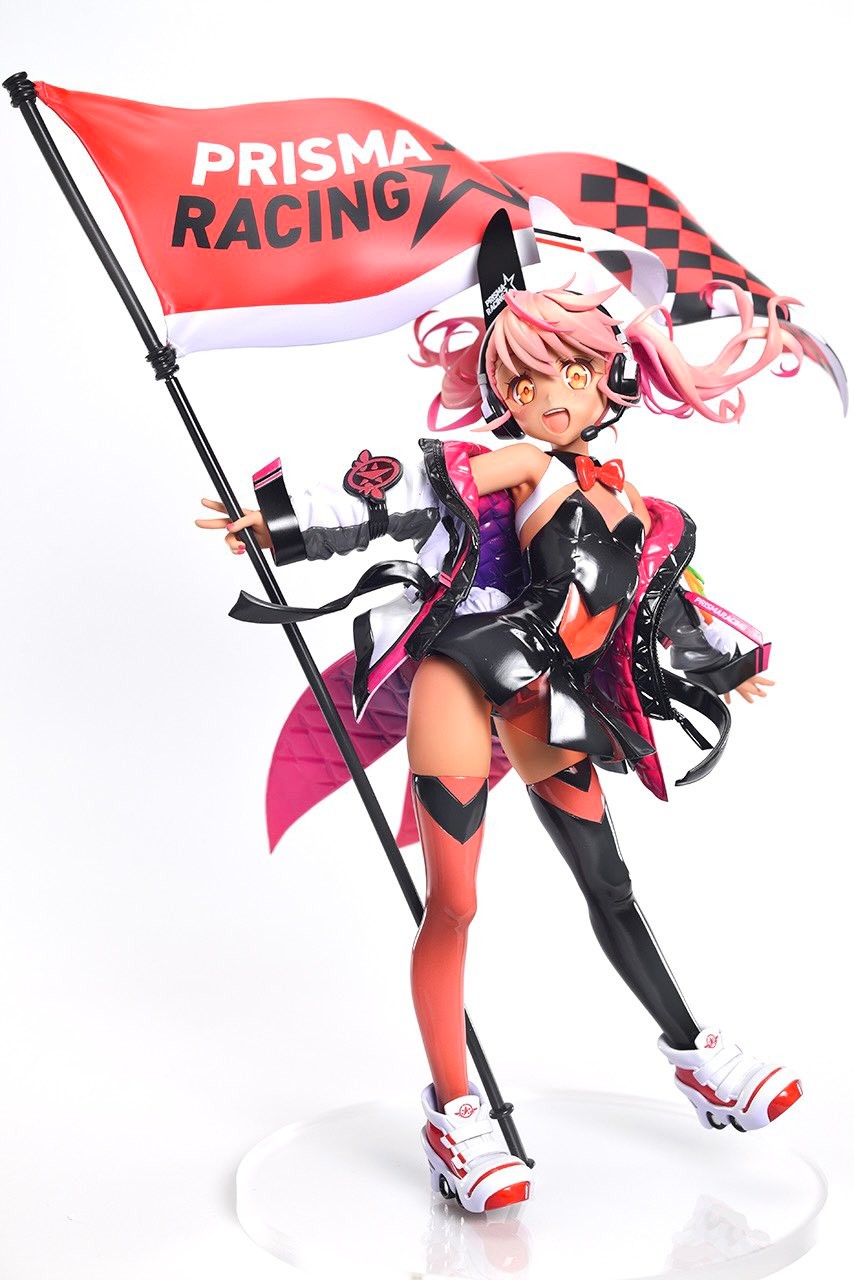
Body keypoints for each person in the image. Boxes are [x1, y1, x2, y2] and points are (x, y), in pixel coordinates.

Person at [196, 276, 804, 1213]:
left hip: (542, 692)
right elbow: (398, 493)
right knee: (456, 901)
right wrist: (284, 522)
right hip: (466, 666)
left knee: (608, 882)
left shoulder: (639, 506)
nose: (548, 397)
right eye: (523, 383)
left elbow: (657, 603)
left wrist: (726, 663)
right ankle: (455, 1116)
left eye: (569, 374)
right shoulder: (522, 461)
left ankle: (697, 1058)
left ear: (609, 377)